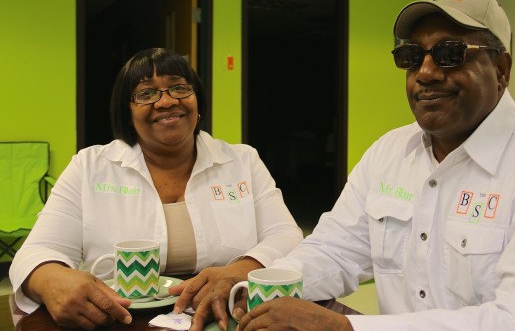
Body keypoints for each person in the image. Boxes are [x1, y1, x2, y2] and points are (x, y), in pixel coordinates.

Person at [187, 0, 515, 331]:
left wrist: (347, 326)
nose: (426, 72)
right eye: (411, 56)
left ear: (502, 69)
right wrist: (254, 281)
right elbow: (335, 250)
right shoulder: (389, 153)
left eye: (450, 54)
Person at [9, 48, 303, 329]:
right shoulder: (90, 166)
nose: (166, 102)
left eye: (179, 88)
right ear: (127, 111)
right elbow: (38, 250)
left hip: (224, 313)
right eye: (146, 93)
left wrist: (240, 270)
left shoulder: (242, 161)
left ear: (196, 100)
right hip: (118, 319)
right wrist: (50, 280)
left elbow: (285, 234)